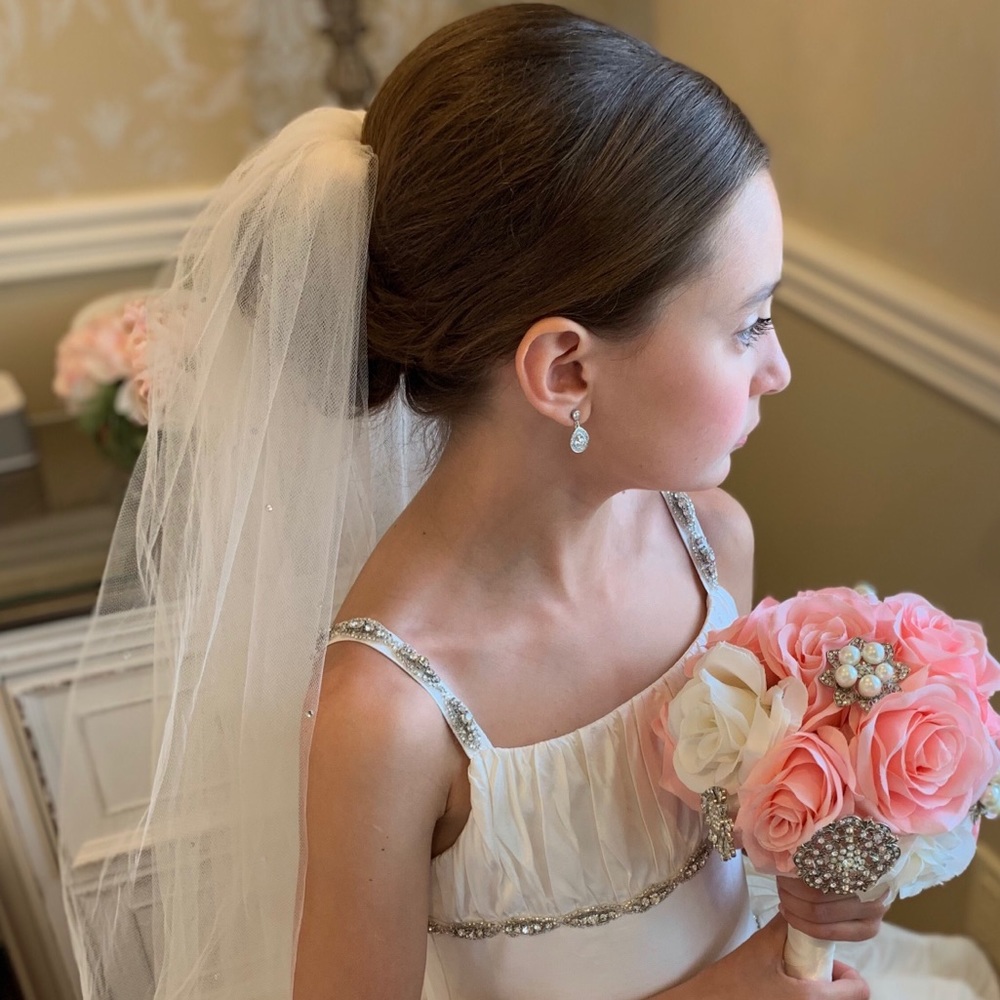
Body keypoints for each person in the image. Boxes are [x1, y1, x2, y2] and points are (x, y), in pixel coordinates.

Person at [57, 5, 1000, 1000]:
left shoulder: (711, 543)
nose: (780, 368)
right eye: (746, 324)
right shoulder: (387, 717)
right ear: (562, 369)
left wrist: (815, 877)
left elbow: (726, 864)